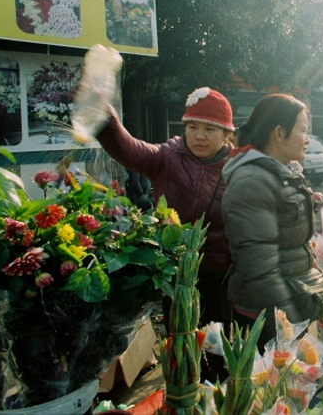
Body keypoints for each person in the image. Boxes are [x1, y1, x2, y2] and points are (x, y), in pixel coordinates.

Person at [94, 86, 236, 382]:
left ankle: (216, 397)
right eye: (192, 127)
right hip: (177, 278)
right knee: (182, 347)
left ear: (226, 134)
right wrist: (103, 115)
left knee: (218, 350)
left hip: (220, 278)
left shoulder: (238, 169)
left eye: (210, 129)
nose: (199, 135)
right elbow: (127, 147)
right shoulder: (166, 158)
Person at [222, 94, 323, 349]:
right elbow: (260, 269)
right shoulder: (252, 181)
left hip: (284, 304)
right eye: (303, 131)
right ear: (279, 133)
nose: (307, 140)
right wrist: (289, 324)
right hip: (264, 316)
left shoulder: (280, 173)